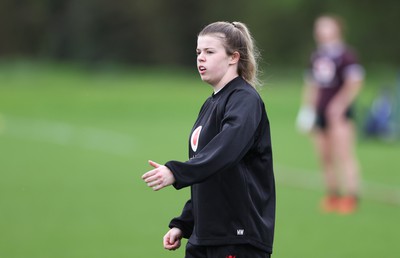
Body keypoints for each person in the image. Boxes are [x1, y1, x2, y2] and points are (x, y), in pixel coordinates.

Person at [142, 21, 275, 257]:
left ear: (233, 57)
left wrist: (177, 171)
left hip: (236, 238)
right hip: (205, 238)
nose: (200, 58)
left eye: (209, 52)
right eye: (198, 52)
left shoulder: (244, 100)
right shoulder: (211, 103)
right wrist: (184, 223)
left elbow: (226, 151)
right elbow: (210, 171)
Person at [297, 15, 364, 214]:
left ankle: (351, 196)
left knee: (344, 154)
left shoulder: (347, 55)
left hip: (339, 114)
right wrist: (307, 110)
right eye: (319, 28)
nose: (321, 31)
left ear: (337, 29)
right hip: (320, 113)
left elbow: (355, 84)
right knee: (324, 155)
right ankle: (332, 194)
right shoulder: (317, 56)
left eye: (326, 27)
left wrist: (339, 105)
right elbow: (312, 85)